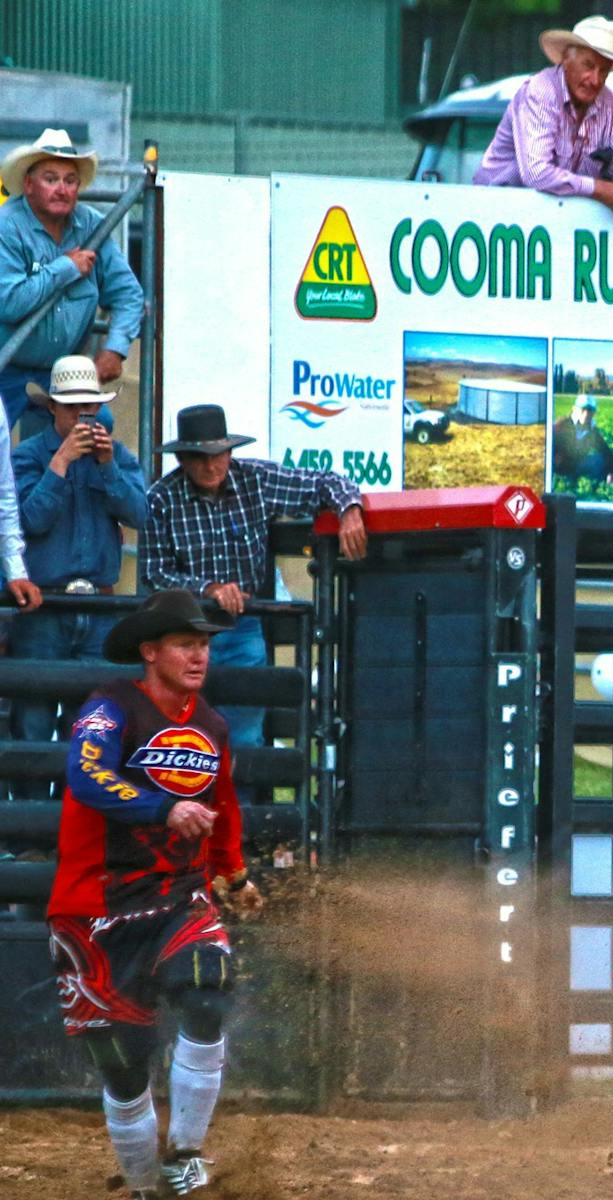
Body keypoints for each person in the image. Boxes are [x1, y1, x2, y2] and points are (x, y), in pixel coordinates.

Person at [47, 589, 267, 1199]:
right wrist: (162, 807)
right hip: (94, 909)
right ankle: (147, 1187)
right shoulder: (109, 708)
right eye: (185, 644)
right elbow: (85, 773)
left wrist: (233, 876)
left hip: (180, 898)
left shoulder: (213, 725)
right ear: (150, 652)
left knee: (206, 988)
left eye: (203, 645)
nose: (199, 656)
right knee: (124, 1065)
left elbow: (221, 808)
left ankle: (187, 1152)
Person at [141, 405, 366, 758]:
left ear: (230, 453)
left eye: (218, 455)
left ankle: (241, 811)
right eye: (200, 457)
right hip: (185, 629)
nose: (211, 465)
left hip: (241, 625)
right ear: (183, 459)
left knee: (243, 739)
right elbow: (154, 573)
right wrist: (209, 589)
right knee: (184, 740)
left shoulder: (254, 480)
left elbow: (325, 482)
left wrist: (349, 508)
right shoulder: (161, 499)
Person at [9, 356, 146, 797]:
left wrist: (106, 467)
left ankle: (76, 830)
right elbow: (29, 521)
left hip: (98, 607)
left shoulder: (118, 456)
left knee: (90, 725)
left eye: (89, 407)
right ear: (52, 408)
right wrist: (62, 463)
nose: (82, 416)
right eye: (72, 408)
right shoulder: (27, 456)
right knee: (32, 720)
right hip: (44, 606)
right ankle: (29, 835)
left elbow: (142, 515)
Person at [0, 129, 143, 431]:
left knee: (95, 425)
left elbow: (128, 294)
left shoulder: (91, 224)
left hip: (63, 372)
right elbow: (9, 303)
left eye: (70, 180)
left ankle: (65, 478)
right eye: (50, 179)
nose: (62, 189)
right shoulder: (6, 226)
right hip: (4, 364)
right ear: (28, 184)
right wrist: (65, 267)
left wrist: (115, 348)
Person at [472, 15, 613, 227]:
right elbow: (536, 173)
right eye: (588, 65)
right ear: (566, 60)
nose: (595, 79)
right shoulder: (541, 91)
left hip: (550, 222)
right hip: (494, 215)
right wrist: (600, 189)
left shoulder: (611, 107)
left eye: (603, 70)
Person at [550, 394, 613, 485]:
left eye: (590, 411)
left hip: (577, 466)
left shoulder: (593, 431)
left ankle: (598, 485)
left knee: (598, 459)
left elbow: (607, 453)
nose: (586, 414)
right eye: (583, 410)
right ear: (574, 409)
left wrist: (611, 472)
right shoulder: (561, 425)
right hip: (558, 467)